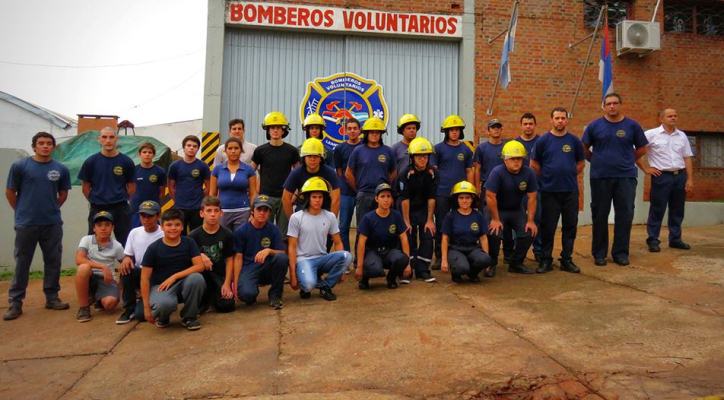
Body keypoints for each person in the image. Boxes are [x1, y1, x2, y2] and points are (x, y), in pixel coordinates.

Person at [4, 132, 71, 321]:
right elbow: (10, 191)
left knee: (53, 261)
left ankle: (52, 297)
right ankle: (15, 303)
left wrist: (52, 208)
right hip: (26, 224)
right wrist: (20, 211)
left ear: (54, 147)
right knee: (22, 263)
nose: (45, 146)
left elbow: (63, 193)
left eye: (49, 143)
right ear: (34, 146)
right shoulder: (20, 166)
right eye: (41, 143)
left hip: (52, 223)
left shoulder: (60, 169)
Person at [582, 93, 648, 266]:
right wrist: (595, 159)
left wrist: (628, 159)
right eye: (608, 103)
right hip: (600, 177)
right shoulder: (594, 126)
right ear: (603, 106)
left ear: (620, 105)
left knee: (625, 215)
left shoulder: (632, 125)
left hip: (625, 177)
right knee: (600, 215)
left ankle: (620, 253)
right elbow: (583, 148)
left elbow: (642, 148)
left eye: (615, 103)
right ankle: (599, 254)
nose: (612, 106)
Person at [530, 107, 584, 274]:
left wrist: (568, 173)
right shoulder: (543, 141)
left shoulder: (574, 141)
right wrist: (548, 176)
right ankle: (546, 260)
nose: (560, 121)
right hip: (548, 191)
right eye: (557, 118)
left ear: (567, 120)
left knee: (570, 226)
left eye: (563, 118)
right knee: (548, 227)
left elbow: (581, 163)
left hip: (570, 192)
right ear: (551, 120)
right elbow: (534, 164)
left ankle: (566, 259)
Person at [140, 209, 207, 330]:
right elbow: (144, 278)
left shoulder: (189, 242)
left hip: (183, 283)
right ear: (162, 227)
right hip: (161, 286)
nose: (173, 228)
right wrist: (146, 307)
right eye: (169, 225)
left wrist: (175, 276)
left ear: (182, 227)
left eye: (177, 224)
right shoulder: (153, 248)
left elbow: (200, 266)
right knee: (164, 304)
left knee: (197, 278)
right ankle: (163, 317)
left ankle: (189, 317)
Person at [638, 108, 694, 252]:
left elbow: (687, 157)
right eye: (670, 116)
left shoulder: (682, 136)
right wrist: (645, 168)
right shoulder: (651, 135)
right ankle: (653, 240)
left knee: (677, 209)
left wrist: (690, 179)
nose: (673, 118)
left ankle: (675, 239)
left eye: (675, 115)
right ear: (661, 119)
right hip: (661, 177)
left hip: (679, 176)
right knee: (657, 208)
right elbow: (636, 151)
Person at [288, 177, 352, 301]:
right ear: (307, 198)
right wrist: (292, 275)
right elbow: (291, 247)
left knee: (347, 256)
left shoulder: (330, 216)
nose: (317, 200)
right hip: (303, 260)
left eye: (320, 197)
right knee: (308, 285)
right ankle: (306, 282)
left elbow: (338, 242)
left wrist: (342, 270)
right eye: (314, 197)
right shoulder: (296, 218)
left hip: (322, 258)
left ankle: (325, 286)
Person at [485, 141, 538, 275]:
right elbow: (490, 196)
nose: (516, 162)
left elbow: (532, 197)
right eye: (513, 159)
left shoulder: (529, 173)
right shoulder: (497, 172)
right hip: (497, 210)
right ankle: (491, 263)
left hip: (515, 210)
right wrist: (495, 219)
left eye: (519, 159)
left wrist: (530, 221)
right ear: (505, 160)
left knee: (529, 231)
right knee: (494, 233)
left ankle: (516, 263)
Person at [78, 126, 135, 245]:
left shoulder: (126, 161)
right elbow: (85, 187)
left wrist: (121, 198)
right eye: (104, 137)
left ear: (116, 139)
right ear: (99, 139)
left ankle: (127, 264)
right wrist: (95, 200)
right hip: (98, 207)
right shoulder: (91, 162)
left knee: (125, 242)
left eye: (111, 137)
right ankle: (95, 264)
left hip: (120, 208)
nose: (108, 140)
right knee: (94, 244)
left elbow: (132, 187)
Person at [345, 117, 396, 246]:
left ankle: (380, 257)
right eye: (371, 132)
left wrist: (384, 188)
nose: (374, 134)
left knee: (383, 227)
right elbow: (348, 173)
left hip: (383, 196)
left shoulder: (388, 151)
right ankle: (359, 260)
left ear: (381, 134)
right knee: (363, 229)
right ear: (366, 133)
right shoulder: (358, 150)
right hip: (364, 195)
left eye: (377, 132)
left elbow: (393, 172)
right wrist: (358, 189)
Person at [232, 195, 289, 309]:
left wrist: (269, 250)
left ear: (269, 213)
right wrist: (236, 283)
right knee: (247, 295)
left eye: (266, 210)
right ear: (252, 211)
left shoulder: (274, 229)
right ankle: (251, 290)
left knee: (282, 258)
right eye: (259, 209)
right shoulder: (241, 231)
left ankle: (275, 295)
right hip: (249, 268)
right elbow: (238, 258)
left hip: (267, 267)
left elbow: (282, 252)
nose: (262, 213)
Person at [432, 114, 474, 268]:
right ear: (446, 132)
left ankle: (458, 254)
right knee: (442, 224)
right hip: (442, 193)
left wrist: (471, 191)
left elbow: (469, 171)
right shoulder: (437, 149)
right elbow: (434, 170)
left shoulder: (466, 150)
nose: (454, 132)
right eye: (451, 130)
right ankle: (439, 257)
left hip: (461, 195)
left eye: (457, 130)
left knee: (460, 223)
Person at [251, 111, 300, 237]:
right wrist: (254, 193)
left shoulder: (292, 151)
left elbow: (298, 173)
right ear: (267, 130)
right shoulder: (260, 151)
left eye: (278, 127)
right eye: (272, 128)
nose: (275, 130)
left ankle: (280, 256)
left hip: (285, 197)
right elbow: (250, 173)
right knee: (263, 231)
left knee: (283, 234)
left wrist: (295, 193)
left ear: (284, 130)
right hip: (265, 197)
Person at [356, 183, 411, 290]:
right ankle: (365, 278)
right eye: (382, 196)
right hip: (372, 252)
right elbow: (361, 242)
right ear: (376, 199)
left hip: (388, 251)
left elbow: (404, 238)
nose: (386, 200)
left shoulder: (396, 215)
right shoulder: (368, 218)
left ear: (391, 199)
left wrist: (407, 264)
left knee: (403, 259)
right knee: (376, 270)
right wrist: (359, 266)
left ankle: (391, 279)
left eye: (388, 196)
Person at [116, 201, 164, 324]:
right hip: (140, 274)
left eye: (150, 216)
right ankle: (129, 308)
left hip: (157, 276)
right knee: (126, 269)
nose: (146, 219)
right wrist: (126, 259)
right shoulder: (134, 232)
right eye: (143, 216)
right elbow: (128, 255)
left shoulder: (164, 233)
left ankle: (151, 300)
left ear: (158, 216)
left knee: (141, 316)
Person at [474, 119, 514, 265]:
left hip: (506, 189)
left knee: (508, 222)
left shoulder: (508, 147)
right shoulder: (482, 148)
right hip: (487, 189)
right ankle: (490, 258)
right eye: (493, 127)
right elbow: (477, 168)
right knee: (490, 222)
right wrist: (477, 188)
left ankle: (509, 255)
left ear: (501, 129)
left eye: (498, 127)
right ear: (488, 131)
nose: (496, 130)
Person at [398, 137, 437, 283]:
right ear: (412, 157)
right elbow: (404, 199)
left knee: (428, 234)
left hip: (423, 210)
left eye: (426, 156)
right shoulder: (405, 173)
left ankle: (423, 271)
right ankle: (406, 270)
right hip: (407, 209)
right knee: (409, 236)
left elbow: (432, 197)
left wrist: (429, 220)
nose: (423, 159)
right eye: (419, 156)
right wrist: (406, 222)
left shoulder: (432, 173)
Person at [74, 211, 124, 322]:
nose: (103, 228)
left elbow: (124, 263)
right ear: (94, 228)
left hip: (106, 279)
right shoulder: (86, 240)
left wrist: (118, 278)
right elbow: (79, 259)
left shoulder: (117, 246)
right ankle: (84, 308)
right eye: (99, 225)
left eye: (107, 225)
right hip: (90, 276)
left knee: (110, 304)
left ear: (112, 228)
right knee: (83, 268)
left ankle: (98, 299)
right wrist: (103, 267)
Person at [189, 197, 236, 313]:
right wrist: (201, 256)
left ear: (221, 213)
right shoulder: (193, 236)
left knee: (227, 306)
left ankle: (214, 298)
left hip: (219, 275)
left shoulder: (227, 234)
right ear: (201, 213)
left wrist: (227, 284)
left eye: (216, 211)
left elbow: (230, 260)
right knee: (198, 308)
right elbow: (188, 259)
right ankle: (204, 299)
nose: (213, 214)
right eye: (209, 211)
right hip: (201, 277)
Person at [441, 181, 493, 282]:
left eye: (468, 198)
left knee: (486, 259)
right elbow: (445, 238)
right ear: (456, 200)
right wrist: (444, 260)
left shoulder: (478, 215)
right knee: (462, 267)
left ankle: (472, 274)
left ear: (472, 199)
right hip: (456, 249)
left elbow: (483, 238)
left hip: (473, 248)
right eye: (461, 198)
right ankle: (456, 273)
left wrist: (486, 258)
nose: (465, 201)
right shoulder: (450, 216)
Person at [283, 137, 340, 218]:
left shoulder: (330, 173)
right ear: (303, 158)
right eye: (309, 156)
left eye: (316, 156)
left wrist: (332, 222)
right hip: (302, 213)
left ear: (321, 158)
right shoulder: (296, 173)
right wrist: (292, 220)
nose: (312, 159)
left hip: (324, 214)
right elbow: (285, 198)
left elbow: (336, 199)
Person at [209, 137, 257, 231]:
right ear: (225, 151)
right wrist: (214, 211)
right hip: (222, 211)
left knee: (240, 240)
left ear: (241, 150)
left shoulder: (249, 170)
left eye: (236, 148)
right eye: (230, 148)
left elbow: (253, 193)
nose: (233, 151)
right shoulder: (217, 170)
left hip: (243, 211)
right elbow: (212, 193)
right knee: (224, 241)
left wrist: (252, 212)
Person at [168, 135, 210, 234]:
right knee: (179, 234)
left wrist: (201, 199)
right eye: (189, 145)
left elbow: (208, 187)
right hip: (180, 208)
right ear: (184, 147)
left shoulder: (203, 166)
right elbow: (171, 187)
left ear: (197, 149)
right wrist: (177, 200)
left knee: (196, 235)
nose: (191, 148)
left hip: (197, 208)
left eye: (194, 146)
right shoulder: (175, 166)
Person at [515, 113, 542, 260]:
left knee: (536, 219)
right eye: (525, 124)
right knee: (518, 220)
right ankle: (517, 252)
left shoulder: (542, 142)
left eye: (531, 123)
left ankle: (538, 251)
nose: (528, 126)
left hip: (537, 189)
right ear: (521, 125)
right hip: (517, 191)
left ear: (535, 125)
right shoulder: (515, 144)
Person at [333, 118, 362, 252]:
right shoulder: (340, 148)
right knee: (343, 226)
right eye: (349, 128)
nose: (352, 131)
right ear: (345, 130)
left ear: (359, 130)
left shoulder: (364, 147)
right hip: (345, 193)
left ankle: (360, 258)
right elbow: (339, 170)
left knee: (362, 227)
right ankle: (346, 257)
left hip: (363, 191)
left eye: (355, 128)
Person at [129, 142, 166, 229]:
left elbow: (162, 192)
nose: (147, 155)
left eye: (150, 152)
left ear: (153, 155)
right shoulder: (133, 170)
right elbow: (129, 189)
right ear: (139, 154)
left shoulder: (160, 171)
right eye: (144, 152)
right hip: (136, 210)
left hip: (153, 210)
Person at [390, 113, 421, 178]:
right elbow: (392, 171)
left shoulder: (422, 147)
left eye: (414, 128)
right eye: (408, 128)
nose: (412, 130)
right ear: (402, 131)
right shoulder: (395, 149)